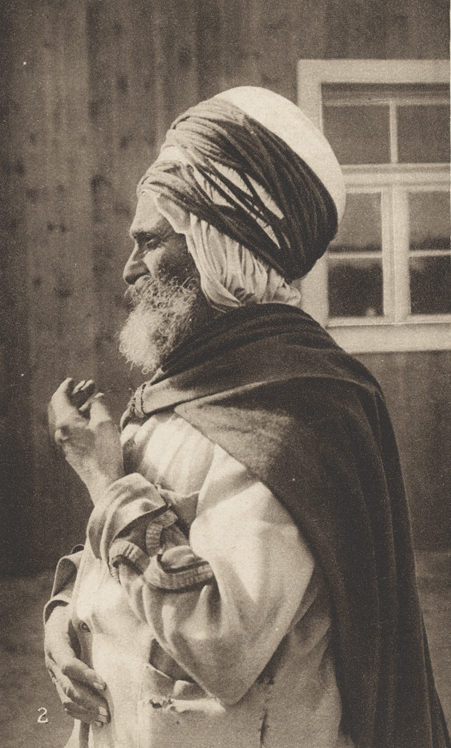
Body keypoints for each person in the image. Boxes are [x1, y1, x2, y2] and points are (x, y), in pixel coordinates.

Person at [44, 87, 449, 748]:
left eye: (150, 241)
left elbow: (219, 642)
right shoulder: (190, 389)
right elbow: (142, 553)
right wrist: (67, 621)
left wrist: (102, 479)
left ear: (218, 247)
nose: (129, 269)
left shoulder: (291, 418)